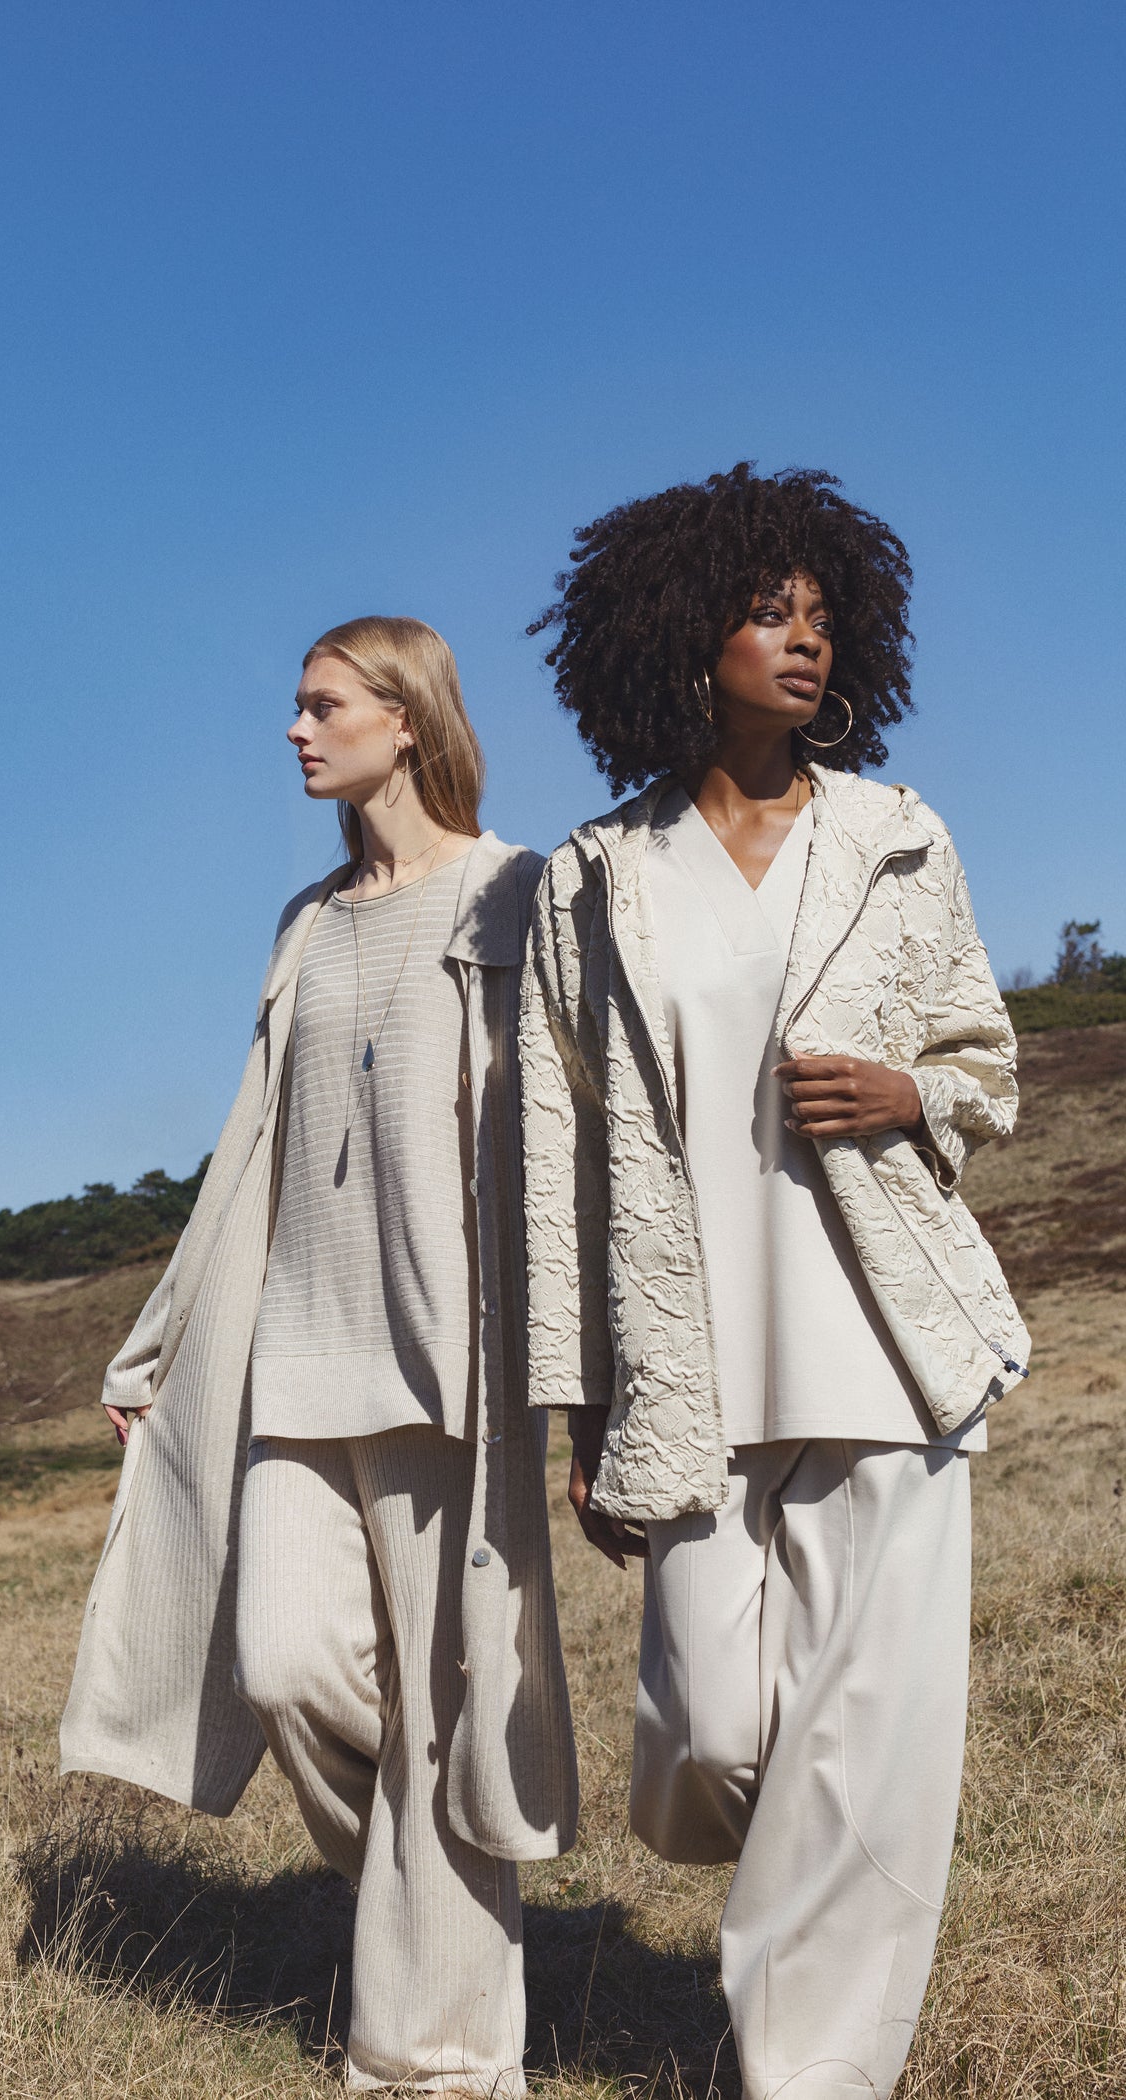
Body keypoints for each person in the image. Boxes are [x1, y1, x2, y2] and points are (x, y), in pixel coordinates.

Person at [519, 466, 1029, 2100]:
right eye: (766, 613)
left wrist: (908, 1093)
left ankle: (806, 2070)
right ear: (684, 636)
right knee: (710, 1741)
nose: (802, 643)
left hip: (882, 1352)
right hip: (690, 1369)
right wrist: (578, 1401)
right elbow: (558, 1154)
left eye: (819, 618)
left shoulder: (898, 839)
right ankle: (795, 1904)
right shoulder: (594, 877)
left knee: (866, 1742)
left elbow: (988, 1067)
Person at [61, 616, 577, 2096]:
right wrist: (162, 1346)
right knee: (285, 1665)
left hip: (448, 1366)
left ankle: (437, 2054)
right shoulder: (306, 920)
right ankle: (432, 1919)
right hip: (292, 1355)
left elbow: (556, 1132)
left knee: (446, 1701)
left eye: (322, 703)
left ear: (405, 717)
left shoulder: (514, 891)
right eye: (297, 706)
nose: (295, 729)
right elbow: (251, 1150)